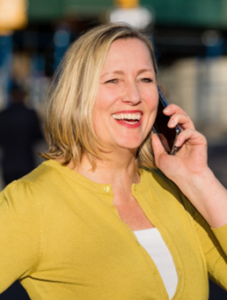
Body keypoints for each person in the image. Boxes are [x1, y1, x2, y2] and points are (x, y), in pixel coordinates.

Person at [0, 23, 227, 300]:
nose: (134, 96)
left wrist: (199, 178)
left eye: (145, 79)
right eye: (113, 80)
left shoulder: (176, 194)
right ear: (78, 94)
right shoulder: (31, 203)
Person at [0, 82, 43, 186]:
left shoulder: (3, 115)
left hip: (8, 165)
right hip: (26, 163)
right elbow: (38, 136)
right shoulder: (30, 114)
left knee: (9, 198)